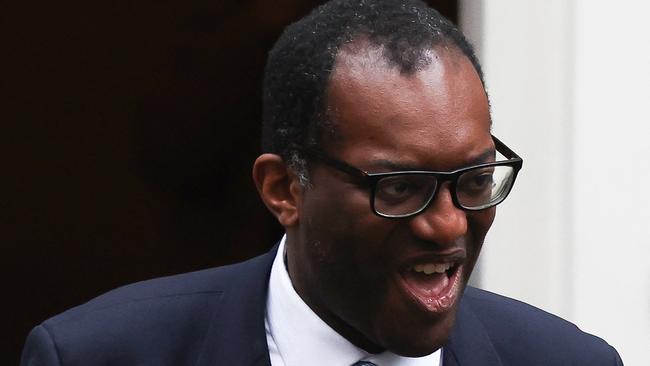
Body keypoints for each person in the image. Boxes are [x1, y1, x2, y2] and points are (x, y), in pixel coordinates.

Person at [21, 0, 623, 365]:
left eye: (472, 179)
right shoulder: (100, 355)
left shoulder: (568, 360)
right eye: (399, 187)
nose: (448, 224)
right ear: (284, 189)